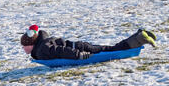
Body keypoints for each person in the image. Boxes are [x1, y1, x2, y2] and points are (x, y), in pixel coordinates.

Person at [20, 25, 157, 60]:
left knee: (112, 50)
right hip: (79, 45)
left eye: (25, 46)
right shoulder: (42, 43)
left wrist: (79, 55)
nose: (24, 49)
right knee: (110, 48)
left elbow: (62, 51)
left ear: (31, 44)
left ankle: (139, 38)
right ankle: (138, 36)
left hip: (80, 49)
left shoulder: (42, 48)